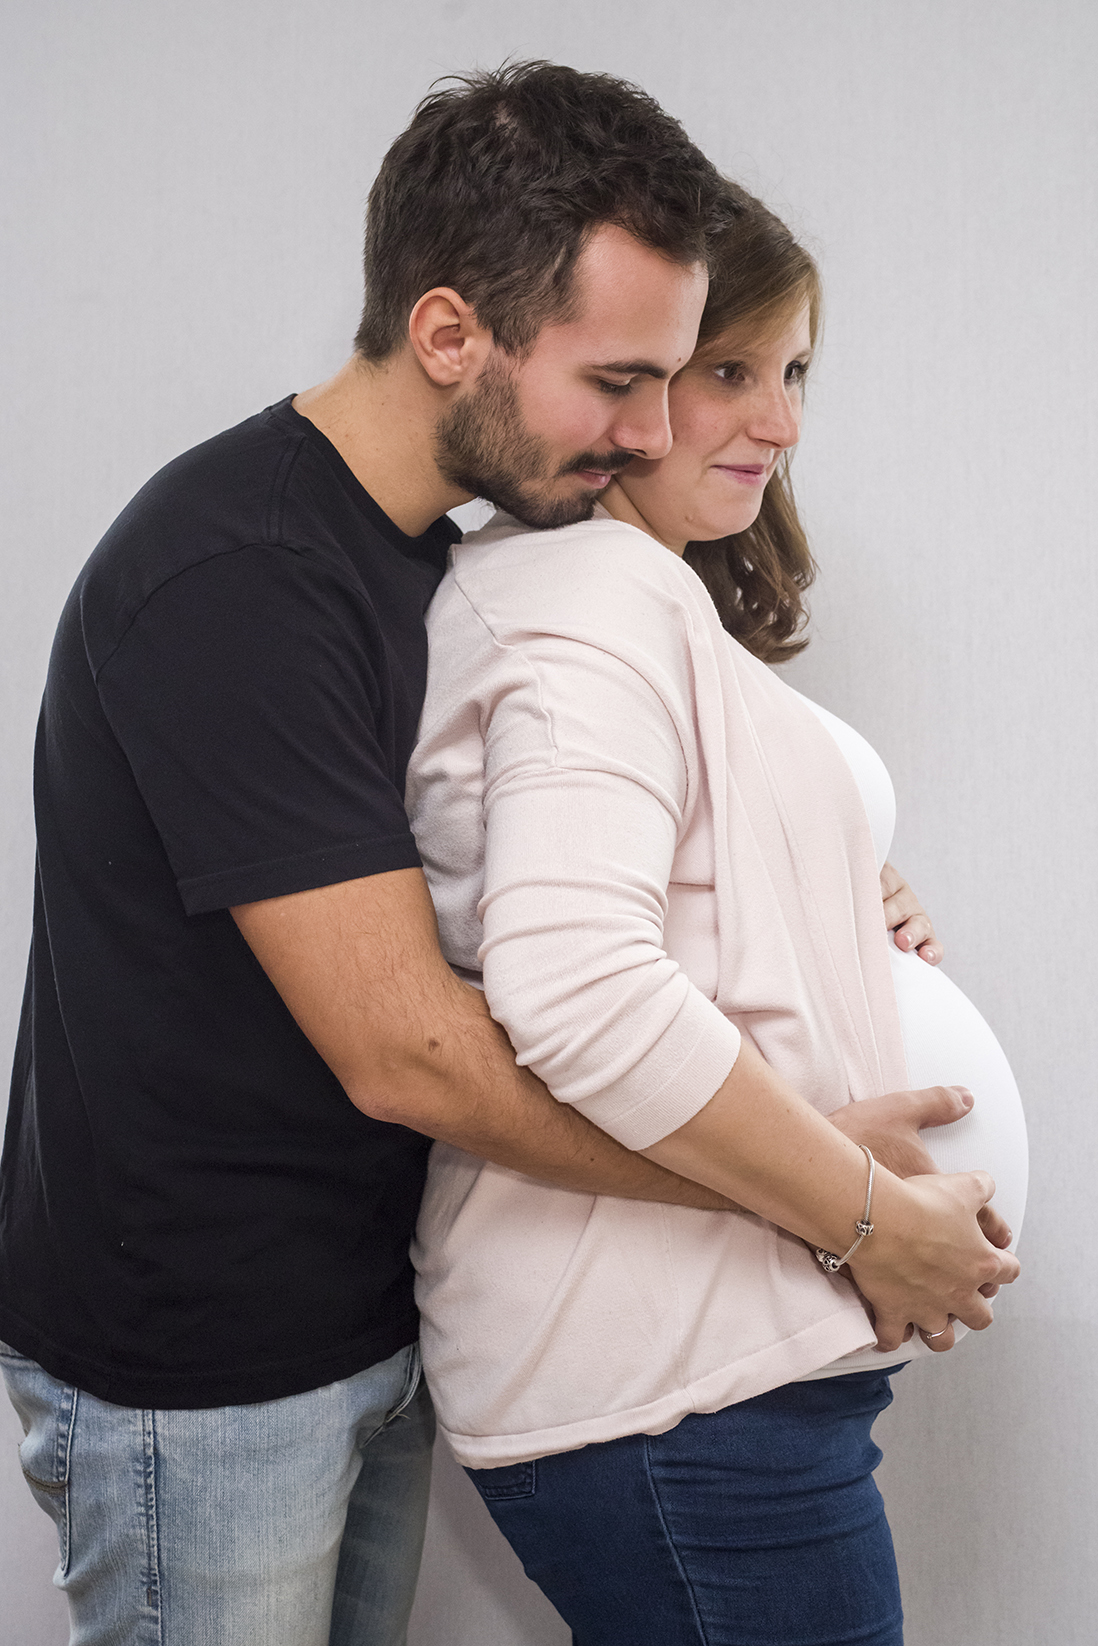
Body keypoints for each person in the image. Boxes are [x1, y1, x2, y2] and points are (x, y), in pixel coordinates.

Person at [0, 62, 760, 1646]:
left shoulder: (449, 553)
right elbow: (408, 1052)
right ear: (445, 334)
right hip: (201, 1375)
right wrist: (785, 1195)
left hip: (363, 1308)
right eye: (615, 380)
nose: (650, 432)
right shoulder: (236, 576)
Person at [406, 181, 1025, 1645]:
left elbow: (627, 903)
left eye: (794, 373)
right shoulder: (595, 599)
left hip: (715, 1371)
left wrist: (834, 883)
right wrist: (869, 1215)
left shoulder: (637, 602)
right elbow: (581, 995)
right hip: (677, 1390)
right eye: (727, 371)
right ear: (619, 385)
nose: (780, 421)